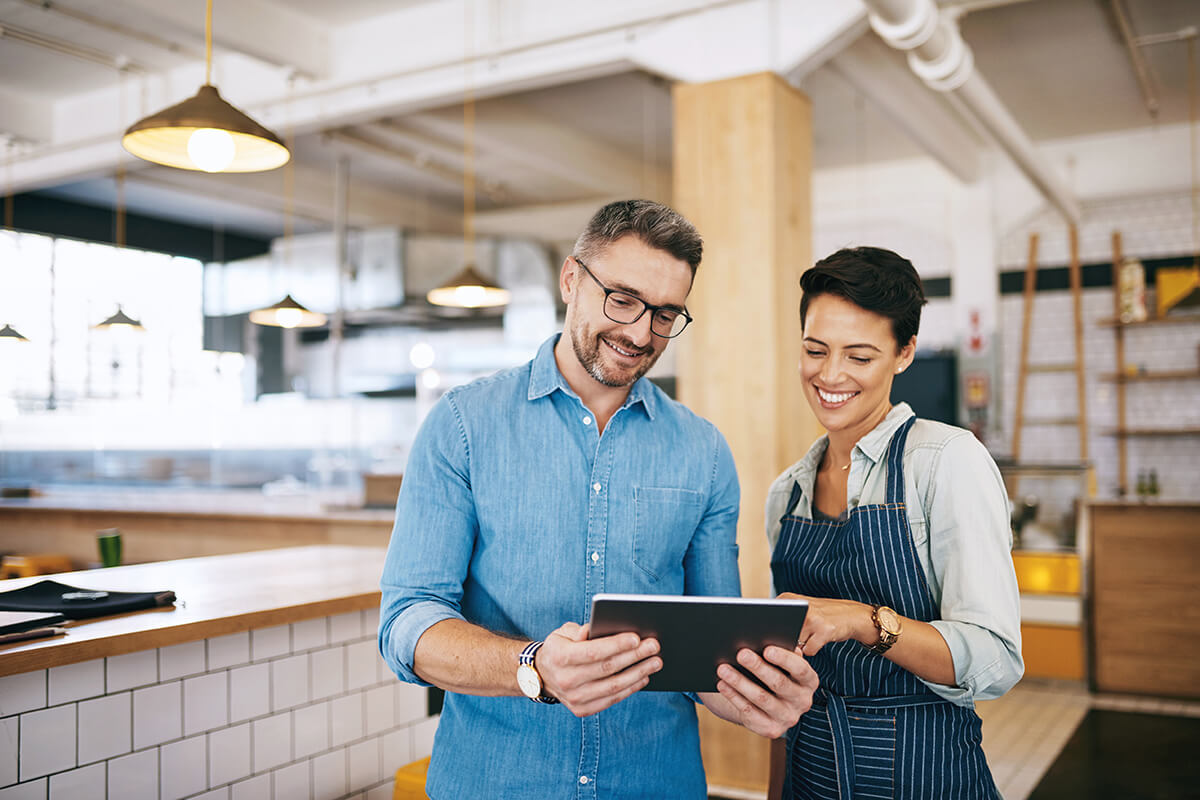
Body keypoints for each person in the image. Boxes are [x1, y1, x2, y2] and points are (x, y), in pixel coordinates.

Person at [379, 199, 818, 799]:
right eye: (624, 299)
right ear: (570, 279)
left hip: (655, 783)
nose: (640, 333)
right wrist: (531, 667)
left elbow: (707, 655)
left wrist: (755, 701)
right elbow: (408, 624)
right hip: (495, 783)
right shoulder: (462, 426)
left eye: (666, 314)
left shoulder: (704, 452)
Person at [765, 246, 1023, 799]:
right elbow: (782, 678)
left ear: (904, 353)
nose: (830, 375)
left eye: (859, 357)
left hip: (925, 774)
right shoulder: (786, 493)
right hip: (807, 775)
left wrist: (860, 620)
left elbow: (996, 658)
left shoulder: (945, 462)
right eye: (815, 350)